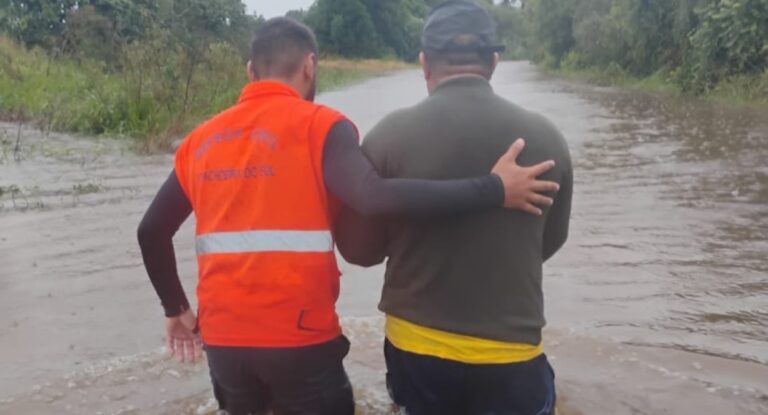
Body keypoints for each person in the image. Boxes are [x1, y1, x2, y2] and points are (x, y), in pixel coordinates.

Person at [136, 17, 560, 415]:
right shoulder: (321, 126)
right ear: (309, 65)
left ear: (250, 71)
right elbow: (372, 197)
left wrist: (175, 308)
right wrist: (492, 189)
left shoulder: (200, 141)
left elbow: (152, 230)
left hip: (224, 344)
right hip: (299, 340)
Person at [335, 2, 573, 415]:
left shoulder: (388, 136)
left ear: (425, 63)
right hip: (510, 353)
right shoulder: (547, 138)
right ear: (494, 62)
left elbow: (359, 252)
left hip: (416, 351)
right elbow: (548, 243)